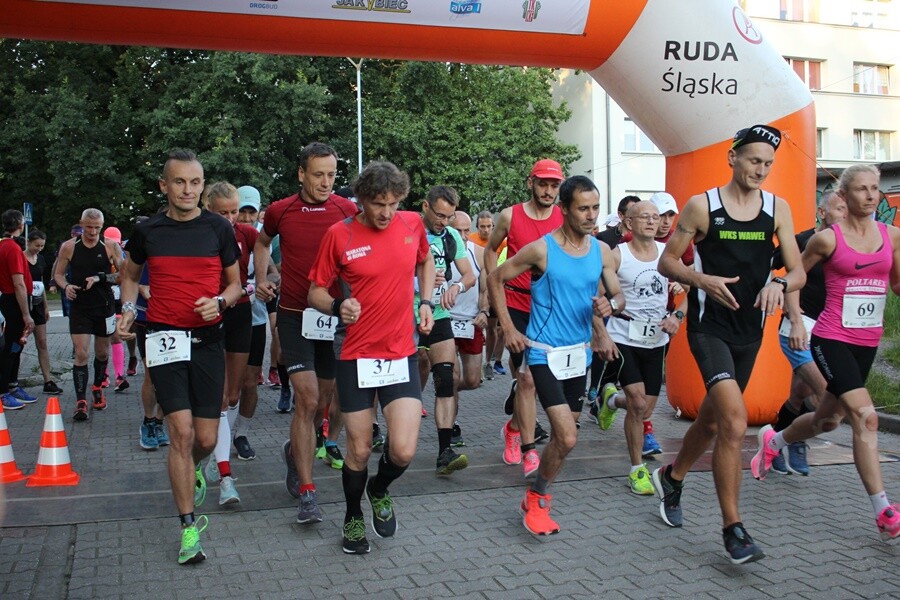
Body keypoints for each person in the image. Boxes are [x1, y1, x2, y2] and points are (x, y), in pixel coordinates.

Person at [650, 124, 805, 565]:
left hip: (749, 333)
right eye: (754, 160)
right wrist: (700, 279)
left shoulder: (777, 208)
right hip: (708, 329)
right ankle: (733, 529)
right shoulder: (703, 206)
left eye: (768, 164)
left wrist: (779, 283)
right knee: (735, 422)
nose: (761, 170)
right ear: (733, 158)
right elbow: (667, 262)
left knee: (713, 420)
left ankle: (673, 476)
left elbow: (798, 271)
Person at [751, 164, 900, 543]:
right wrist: (794, 316)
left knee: (828, 420)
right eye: (862, 189)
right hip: (830, 337)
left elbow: (897, 285)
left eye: (875, 188)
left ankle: (775, 441)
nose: (871, 195)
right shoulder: (826, 240)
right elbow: (796, 276)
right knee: (866, 417)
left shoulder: (893, 236)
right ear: (844, 196)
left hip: (867, 342)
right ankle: (883, 510)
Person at [117, 149, 242, 565]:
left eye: (195, 182)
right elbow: (130, 274)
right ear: (164, 185)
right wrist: (128, 309)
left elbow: (235, 285)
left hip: (208, 341)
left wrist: (220, 303)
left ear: (202, 186)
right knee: (182, 434)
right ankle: (189, 528)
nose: (188, 190)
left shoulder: (218, 228)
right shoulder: (147, 230)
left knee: (204, 439)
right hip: (163, 339)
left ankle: (192, 471)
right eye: (179, 182)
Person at [307, 160, 435, 555]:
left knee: (404, 450)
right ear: (361, 199)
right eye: (379, 204)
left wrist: (426, 301)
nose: (386, 212)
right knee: (360, 449)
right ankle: (352, 516)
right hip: (357, 355)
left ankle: (379, 488)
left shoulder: (412, 224)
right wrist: (337, 305)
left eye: (393, 203)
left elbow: (425, 260)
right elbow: (315, 291)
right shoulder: (339, 234)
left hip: (400, 354)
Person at [488, 175, 620, 535]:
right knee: (568, 436)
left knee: (564, 440)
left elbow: (617, 295)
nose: (591, 215)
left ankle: (536, 492)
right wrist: (509, 329)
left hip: (580, 356)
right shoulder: (541, 250)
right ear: (563, 209)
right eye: (583, 208)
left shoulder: (601, 251)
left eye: (595, 207)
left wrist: (610, 307)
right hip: (544, 353)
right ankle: (539, 498)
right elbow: (496, 278)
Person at [254, 142, 358, 523]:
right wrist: (263, 277)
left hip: (332, 316)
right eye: (318, 174)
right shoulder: (281, 211)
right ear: (301, 174)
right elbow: (262, 243)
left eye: (331, 175)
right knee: (308, 398)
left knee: (322, 403)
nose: (326, 182)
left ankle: (295, 451)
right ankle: (308, 492)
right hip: (295, 316)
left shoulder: (346, 210)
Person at [594, 200, 687, 494]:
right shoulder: (617, 255)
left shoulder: (667, 254)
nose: (651, 221)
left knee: (645, 409)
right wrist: (602, 334)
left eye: (655, 217)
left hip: (656, 339)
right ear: (629, 223)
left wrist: (677, 316)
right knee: (636, 403)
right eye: (644, 217)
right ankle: (637, 470)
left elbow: (693, 288)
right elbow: (596, 297)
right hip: (624, 336)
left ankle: (610, 401)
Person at [484, 159, 565, 478]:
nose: (548, 191)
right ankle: (530, 450)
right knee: (527, 378)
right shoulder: (510, 215)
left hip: (549, 308)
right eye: (543, 184)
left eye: (554, 185)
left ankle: (513, 428)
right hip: (516, 303)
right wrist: (493, 283)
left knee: (536, 380)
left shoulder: (564, 217)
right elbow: (491, 249)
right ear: (531, 183)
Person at [767, 191, 846, 475]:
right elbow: (770, 267)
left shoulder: (846, 246)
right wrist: (780, 296)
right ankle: (792, 438)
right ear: (822, 213)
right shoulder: (802, 241)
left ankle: (775, 438)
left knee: (800, 394)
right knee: (827, 398)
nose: (846, 215)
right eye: (840, 209)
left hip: (829, 331)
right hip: (798, 327)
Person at [202, 182, 259, 506]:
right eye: (222, 212)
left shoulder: (247, 234)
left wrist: (265, 282)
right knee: (221, 398)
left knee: (234, 395)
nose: (230, 218)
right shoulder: (199, 232)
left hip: (239, 313)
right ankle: (225, 475)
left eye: (234, 211)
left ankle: (217, 451)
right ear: (208, 208)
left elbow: (270, 267)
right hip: (208, 315)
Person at [415, 186, 475, 475]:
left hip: (438, 315)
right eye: (439, 215)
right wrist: (420, 281)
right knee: (406, 378)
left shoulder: (451, 235)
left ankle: (444, 452)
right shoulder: (409, 230)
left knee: (446, 379)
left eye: (449, 216)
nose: (444, 222)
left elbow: (469, 274)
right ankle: (383, 431)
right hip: (406, 315)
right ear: (425, 206)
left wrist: (456, 287)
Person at [54, 208, 124, 421]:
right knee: (81, 353)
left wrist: (100, 278)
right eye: (89, 227)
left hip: (104, 306)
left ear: (102, 226)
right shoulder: (69, 247)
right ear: (81, 224)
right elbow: (58, 274)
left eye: (97, 228)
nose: (93, 232)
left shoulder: (110, 246)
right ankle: (81, 400)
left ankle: (97, 388)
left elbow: (124, 275)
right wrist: (66, 286)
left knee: (102, 353)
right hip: (80, 307)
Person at [449, 210, 489, 447]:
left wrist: (484, 311)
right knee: (452, 376)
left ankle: (447, 389)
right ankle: (451, 425)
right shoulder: (438, 252)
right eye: (458, 231)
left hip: (470, 322)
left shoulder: (479, 253)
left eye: (467, 231)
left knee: (473, 380)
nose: (463, 236)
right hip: (445, 321)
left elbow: (486, 288)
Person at [0, 210, 35, 410]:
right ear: (21, 225)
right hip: (14, 300)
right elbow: (18, 283)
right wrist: (26, 314)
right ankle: (3, 391)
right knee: (11, 347)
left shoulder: (4, 245)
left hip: (10, 299)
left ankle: (12, 385)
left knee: (17, 346)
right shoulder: (12, 248)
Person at [24, 230, 63, 395]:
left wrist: (46, 306)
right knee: (19, 342)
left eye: (42, 246)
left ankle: (48, 380)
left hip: (38, 303)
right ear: (28, 242)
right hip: (24, 303)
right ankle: (10, 380)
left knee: (42, 342)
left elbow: (40, 282)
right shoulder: (20, 258)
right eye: (36, 245)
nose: (39, 249)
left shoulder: (40, 259)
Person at [470, 210, 507, 379]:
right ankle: (472, 364)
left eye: (489, 226)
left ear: (493, 226)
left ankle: (488, 363)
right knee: (473, 326)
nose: (485, 230)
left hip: (493, 289)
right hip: (473, 289)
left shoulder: (502, 243)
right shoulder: (470, 240)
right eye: (482, 226)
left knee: (492, 328)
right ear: (477, 226)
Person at [103, 226, 131, 394]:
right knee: (104, 338)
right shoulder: (100, 253)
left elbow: (125, 276)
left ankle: (119, 376)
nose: (114, 246)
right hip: (103, 299)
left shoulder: (123, 255)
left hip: (118, 299)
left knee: (116, 336)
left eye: (116, 243)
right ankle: (104, 375)